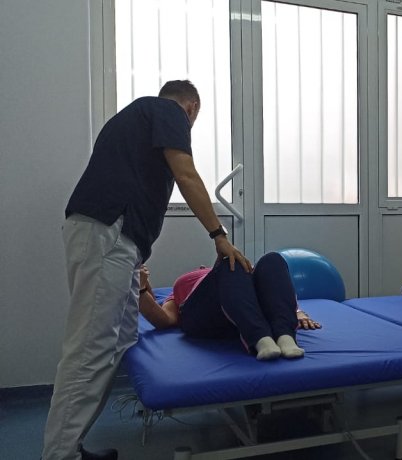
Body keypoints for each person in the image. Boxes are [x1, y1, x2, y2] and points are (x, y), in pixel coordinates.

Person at [44, 80, 251, 460]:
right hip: (108, 233)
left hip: (115, 239)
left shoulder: (134, 122)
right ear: (191, 108)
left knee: (119, 339)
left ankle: (70, 447)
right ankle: (59, 455)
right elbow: (186, 175)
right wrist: (219, 235)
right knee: (90, 349)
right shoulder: (167, 111)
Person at [138, 252, 321, 360]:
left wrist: (297, 311)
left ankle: (285, 337)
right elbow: (165, 320)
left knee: (273, 259)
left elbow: (273, 288)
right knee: (230, 263)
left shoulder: (241, 275)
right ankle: (260, 339)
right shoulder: (184, 285)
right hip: (205, 316)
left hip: (246, 307)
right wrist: (141, 288)